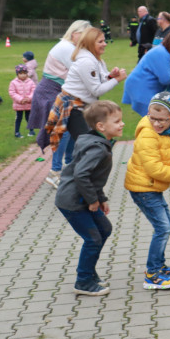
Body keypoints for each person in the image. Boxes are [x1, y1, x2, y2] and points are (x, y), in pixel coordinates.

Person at [54, 100, 124, 297]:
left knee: (104, 229)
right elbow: (81, 175)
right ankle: (83, 281)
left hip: (81, 197)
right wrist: (93, 200)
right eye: (117, 121)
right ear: (101, 126)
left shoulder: (95, 141)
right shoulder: (97, 148)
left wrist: (101, 198)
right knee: (93, 238)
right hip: (72, 201)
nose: (122, 124)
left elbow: (94, 177)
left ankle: (89, 272)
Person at [124, 92, 170, 291]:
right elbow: (153, 168)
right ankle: (152, 274)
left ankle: (160, 266)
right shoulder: (147, 135)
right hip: (143, 187)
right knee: (163, 228)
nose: (156, 123)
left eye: (162, 120)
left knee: (166, 225)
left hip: (152, 186)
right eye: (153, 118)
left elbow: (163, 157)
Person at [43, 27, 127, 153]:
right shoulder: (87, 62)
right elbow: (96, 90)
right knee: (88, 147)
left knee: (89, 144)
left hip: (82, 107)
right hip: (73, 108)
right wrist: (117, 80)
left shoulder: (96, 60)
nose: (105, 44)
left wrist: (110, 76)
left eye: (104, 41)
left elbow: (98, 80)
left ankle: (80, 168)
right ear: (89, 43)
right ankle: (74, 170)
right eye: (100, 41)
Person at [32, 20, 92, 188]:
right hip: (50, 92)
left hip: (63, 92)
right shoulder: (66, 47)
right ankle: (55, 172)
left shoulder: (72, 47)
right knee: (62, 130)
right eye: (84, 34)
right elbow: (82, 71)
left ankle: (69, 167)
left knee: (72, 128)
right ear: (74, 33)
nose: (86, 38)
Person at [122, 31, 170, 115]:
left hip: (145, 87)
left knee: (155, 120)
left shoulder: (168, 53)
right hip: (141, 88)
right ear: (169, 40)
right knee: (154, 118)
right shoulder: (161, 53)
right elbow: (165, 79)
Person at [9, 65, 36, 137]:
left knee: (29, 118)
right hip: (19, 104)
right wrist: (20, 99)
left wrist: (29, 98)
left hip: (28, 104)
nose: (23, 75)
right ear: (17, 74)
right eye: (21, 73)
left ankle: (31, 131)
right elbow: (12, 92)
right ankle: (17, 132)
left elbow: (34, 91)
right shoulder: (13, 83)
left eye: (25, 73)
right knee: (19, 118)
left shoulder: (31, 82)